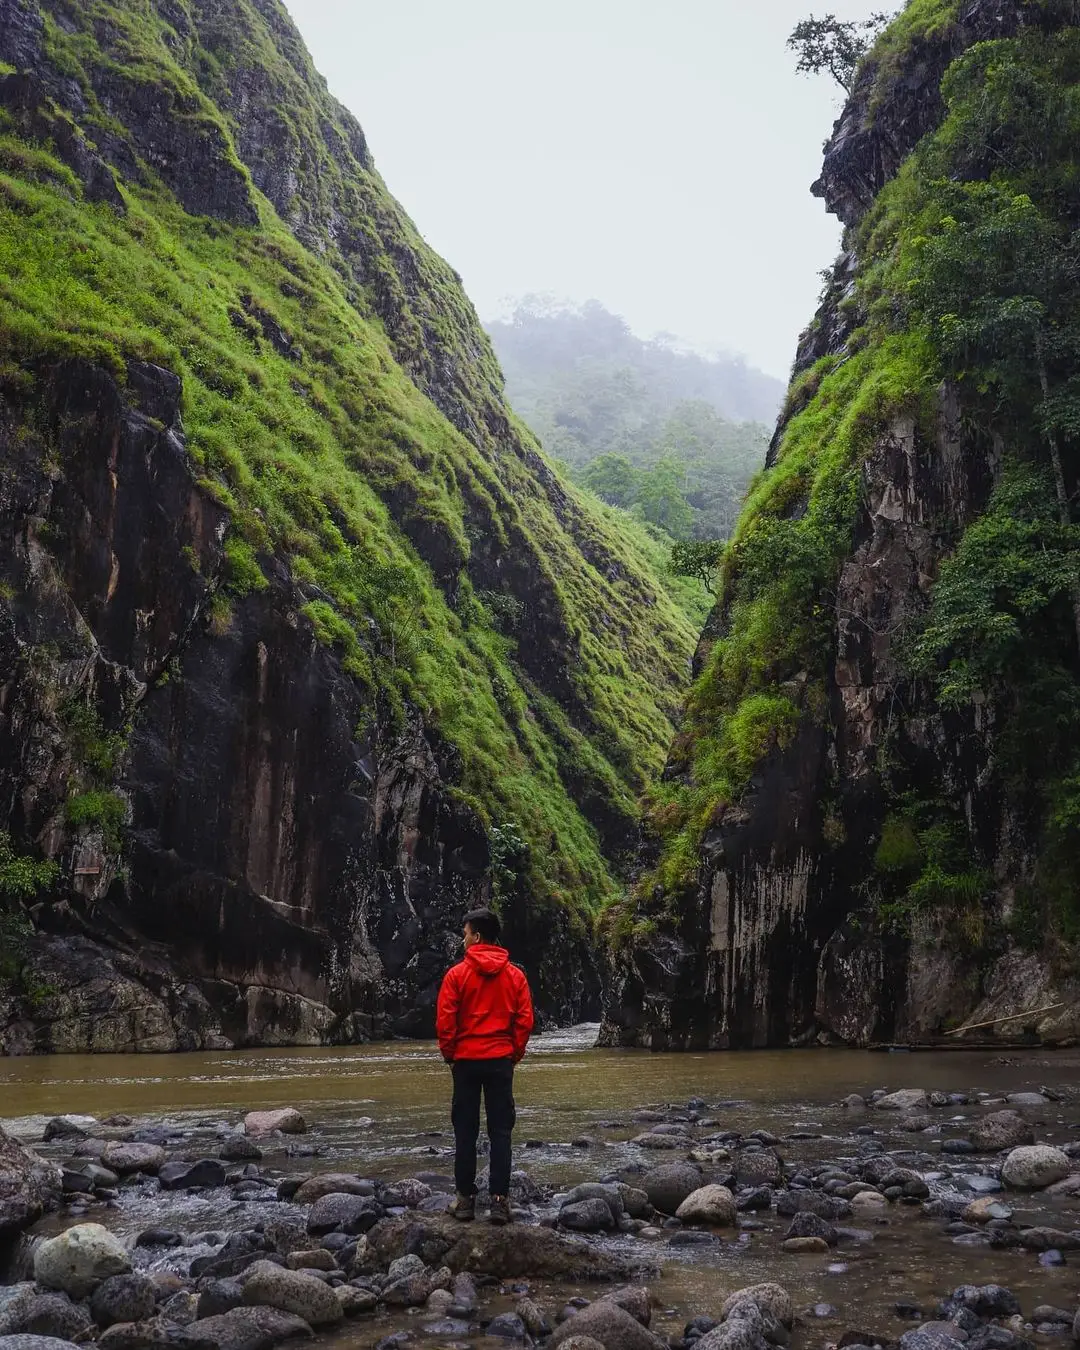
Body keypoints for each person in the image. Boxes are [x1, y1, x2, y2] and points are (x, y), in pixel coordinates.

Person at [436, 906, 534, 1225]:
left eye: (465, 934)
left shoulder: (456, 975)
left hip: (465, 1062)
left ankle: (465, 1201)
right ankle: (499, 1203)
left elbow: (446, 1021)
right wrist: (513, 1053)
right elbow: (524, 1021)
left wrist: (450, 1054)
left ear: (477, 936)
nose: (462, 940)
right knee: (501, 1132)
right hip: (500, 1061)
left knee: (465, 1131)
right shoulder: (515, 976)